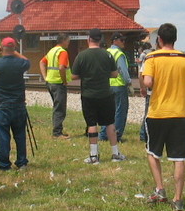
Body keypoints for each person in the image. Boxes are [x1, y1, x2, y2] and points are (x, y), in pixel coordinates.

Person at [144, 23, 185, 211]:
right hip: (180, 113)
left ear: (159, 40)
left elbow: (148, 82)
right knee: (179, 157)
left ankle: (160, 189)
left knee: (153, 152)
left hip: (158, 113)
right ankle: (178, 198)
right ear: (175, 39)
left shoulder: (152, 57)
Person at [71, 28, 126, 164]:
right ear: (100, 40)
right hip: (106, 94)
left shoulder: (81, 56)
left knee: (91, 124)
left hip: (88, 95)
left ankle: (94, 156)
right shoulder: (107, 55)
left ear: (88, 39)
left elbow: (74, 76)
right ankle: (115, 153)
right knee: (109, 123)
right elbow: (114, 74)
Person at [0, 37, 31, 171]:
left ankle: (4, 165)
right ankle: (22, 162)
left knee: (4, 136)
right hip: (18, 104)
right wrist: (15, 52)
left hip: (3, 104)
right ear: (14, 47)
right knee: (20, 134)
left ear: (1, 47)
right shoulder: (19, 63)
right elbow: (28, 62)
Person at [98, 32, 131, 143]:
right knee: (120, 111)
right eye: (122, 40)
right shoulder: (118, 54)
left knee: (107, 111)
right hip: (118, 85)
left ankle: (103, 135)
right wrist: (129, 83)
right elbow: (122, 71)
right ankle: (116, 135)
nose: (124, 42)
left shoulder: (105, 52)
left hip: (107, 85)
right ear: (115, 41)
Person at [39, 33, 71, 139]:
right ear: (63, 41)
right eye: (68, 40)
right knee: (60, 108)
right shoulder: (62, 52)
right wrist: (64, 80)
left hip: (50, 82)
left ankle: (58, 130)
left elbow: (41, 62)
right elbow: (62, 68)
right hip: (58, 83)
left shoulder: (52, 51)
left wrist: (45, 77)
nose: (69, 43)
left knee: (57, 106)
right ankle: (57, 133)